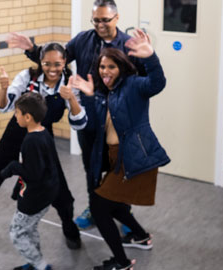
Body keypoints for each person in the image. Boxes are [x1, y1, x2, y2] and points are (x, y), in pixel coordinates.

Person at [7, 0, 146, 231]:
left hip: (117, 121)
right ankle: (94, 208)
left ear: (117, 18)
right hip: (89, 118)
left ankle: (124, 212)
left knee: (118, 168)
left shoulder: (129, 46)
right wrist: (32, 50)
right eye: (96, 20)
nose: (100, 25)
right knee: (91, 169)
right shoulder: (83, 39)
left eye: (105, 20)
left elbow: (142, 83)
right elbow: (56, 60)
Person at [0, 43, 87, 251]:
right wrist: (3, 89)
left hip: (42, 138)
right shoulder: (27, 77)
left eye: (57, 63)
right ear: (40, 62)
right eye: (46, 63)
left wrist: (71, 97)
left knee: (60, 191)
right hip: (15, 133)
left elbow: (79, 122)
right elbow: (5, 106)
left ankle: (69, 227)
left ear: (64, 62)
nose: (52, 68)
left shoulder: (70, 83)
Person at [73, 29, 169, 270]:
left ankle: (122, 263)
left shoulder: (134, 85)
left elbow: (158, 83)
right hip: (117, 159)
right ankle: (140, 236)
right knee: (113, 206)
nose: (105, 72)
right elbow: (98, 127)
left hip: (134, 158)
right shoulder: (107, 93)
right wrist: (90, 95)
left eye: (111, 67)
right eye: (102, 67)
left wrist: (150, 57)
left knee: (99, 207)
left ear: (122, 68)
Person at [0, 92, 57, 270]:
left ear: (28, 117)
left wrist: (12, 167)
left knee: (17, 233)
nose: (15, 116)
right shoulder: (43, 133)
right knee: (30, 229)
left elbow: (33, 174)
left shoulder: (31, 141)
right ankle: (36, 263)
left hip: (34, 199)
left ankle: (40, 266)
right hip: (45, 194)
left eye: (17, 113)